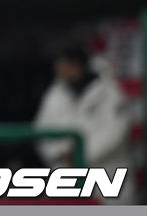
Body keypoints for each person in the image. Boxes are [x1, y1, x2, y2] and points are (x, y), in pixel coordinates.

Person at [33, 43, 136, 205]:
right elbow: (41, 131)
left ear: (76, 65)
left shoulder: (110, 92)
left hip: (107, 175)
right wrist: (59, 153)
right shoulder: (54, 94)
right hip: (67, 177)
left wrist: (79, 154)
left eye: (63, 64)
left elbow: (115, 133)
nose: (58, 69)